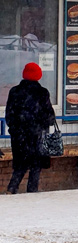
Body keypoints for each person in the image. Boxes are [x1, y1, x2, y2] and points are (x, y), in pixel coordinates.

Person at [5, 62, 56, 194]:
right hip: (37, 136)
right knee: (35, 167)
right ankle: (32, 193)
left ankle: (12, 189)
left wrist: (16, 129)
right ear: (38, 76)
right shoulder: (42, 93)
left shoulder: (14, 92)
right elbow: (49, 117)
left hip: (19, 137)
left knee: (20, 166)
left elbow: (9, 115)